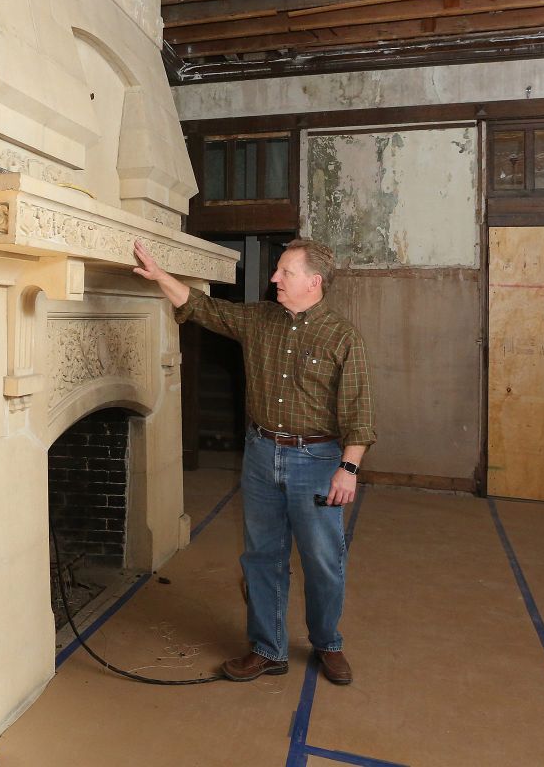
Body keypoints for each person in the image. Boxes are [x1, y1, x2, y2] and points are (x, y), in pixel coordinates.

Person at [132, 237, 374, 685]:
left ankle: (327, 642)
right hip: (261, 455)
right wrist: (160, 275)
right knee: (263, 557)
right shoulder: (259, 319)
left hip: (317, 461)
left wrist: (349, 466)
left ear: (313, 281)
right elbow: (204, 308)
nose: (274, 279)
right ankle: (268, 648)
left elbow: (360, 411)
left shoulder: (343, 338)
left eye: (285, 272)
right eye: (278, 271)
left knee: (323, 560)